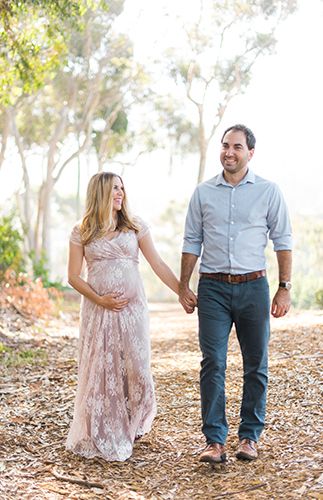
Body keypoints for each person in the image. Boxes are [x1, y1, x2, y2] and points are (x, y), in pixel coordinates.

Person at [179, 124, 292, 464]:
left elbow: (283, 241)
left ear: (250, 153)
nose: (229, 152)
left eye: (237, 147)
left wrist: (284, 288)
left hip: (254, 287)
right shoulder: (203, 193)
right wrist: (184, 285)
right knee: (212, 362)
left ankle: (249, 437)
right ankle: (214, 440)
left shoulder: (269, 192)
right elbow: (191, 241)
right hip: (212, 287)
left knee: (255, 364)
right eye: (225, 145)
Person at [66, 171, 179, 462]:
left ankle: (135, 421)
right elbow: (73, 277)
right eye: (114, 189)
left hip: (133, 310)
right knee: (103, 368)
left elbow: (158, 264)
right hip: (97, 310)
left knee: (137, 368)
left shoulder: (135, 226)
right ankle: (107, 427)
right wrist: (100, 299)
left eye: (122, 188)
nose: (120, 193)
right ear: (100, 193)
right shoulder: (82, 231)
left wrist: (182, 290)